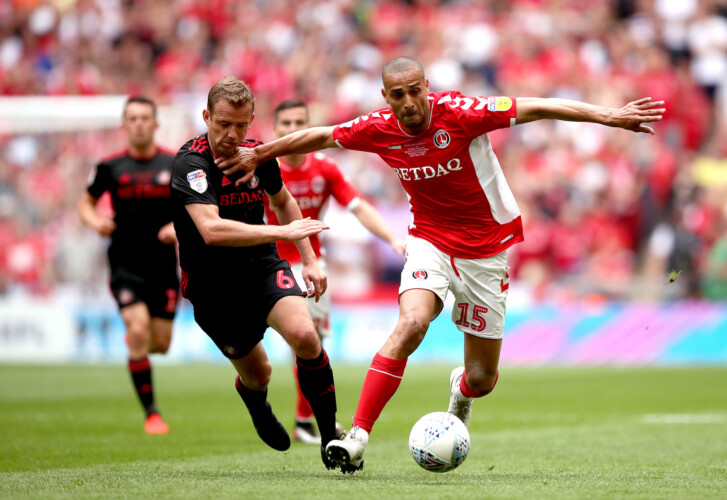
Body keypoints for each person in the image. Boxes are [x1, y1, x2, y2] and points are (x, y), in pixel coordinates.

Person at [216, 57, 667, 473]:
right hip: (428, 241)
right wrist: (261, 153)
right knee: (411, 324)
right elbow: (322, 136)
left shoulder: (462, 113)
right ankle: (356, 437)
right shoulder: (378, 128)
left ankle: (460, 390)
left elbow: (539, 106)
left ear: (427, 87)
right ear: (386, 97)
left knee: (482, 379)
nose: (409, 101)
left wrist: (609, 116)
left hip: (486, 250)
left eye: (416, 90)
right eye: (398, 94)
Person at [169, 77, 341, 469]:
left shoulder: (257, 154)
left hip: (262, 267)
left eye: (241, 125)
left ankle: (331, 439)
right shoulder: (191, 163)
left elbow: (284, 201)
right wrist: (281, 233)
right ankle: (256, 403)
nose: (232, 135)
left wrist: (309, 259)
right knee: (259, 373)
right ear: (206, 117)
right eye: (223, 124)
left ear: (251, 121)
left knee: (306, 336)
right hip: (213, 287)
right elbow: (212, 231)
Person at [267, 99, 406, 445]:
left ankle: (304, 421)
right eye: (286, 123)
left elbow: (358, 207)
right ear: (276, 129)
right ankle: (271, 412)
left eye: (299, 122)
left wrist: (392, 239)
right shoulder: (265, 168)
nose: (293, 129)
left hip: (311, 263)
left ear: (308, 127)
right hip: (267, 262)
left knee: (312, 340)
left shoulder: (324, 168)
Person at [79, 95, 179, 435]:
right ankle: (152, 414)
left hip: (163, 265)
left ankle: (137, 344)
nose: (138, 124)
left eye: (144, 118)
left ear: (155, 123)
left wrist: (176, 227)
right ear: (124, 125)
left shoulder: (174, 163)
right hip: (125, 264)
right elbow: (85, 204)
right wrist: (95, 222)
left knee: (160, 344)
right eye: (132, 118)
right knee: (138, 331)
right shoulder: (109, 167)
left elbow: (194, 207)